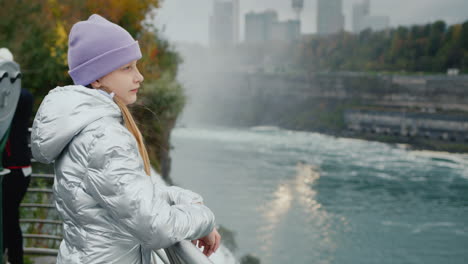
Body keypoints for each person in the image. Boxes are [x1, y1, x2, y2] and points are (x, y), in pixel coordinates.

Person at [30, 14, 220, 263]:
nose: (139, 77)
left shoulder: (82, 128)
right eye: (127, 67)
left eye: (136, 66)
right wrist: (204, 219)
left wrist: (179, 198)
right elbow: (156, 226)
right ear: (97, 78)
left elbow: (123, 194)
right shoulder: (104, 137)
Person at [1, 48, 34, 264]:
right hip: (12, 169)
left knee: (9, 219)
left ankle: (16, 259)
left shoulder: (21, 97)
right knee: (7, 219)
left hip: (16, 171)